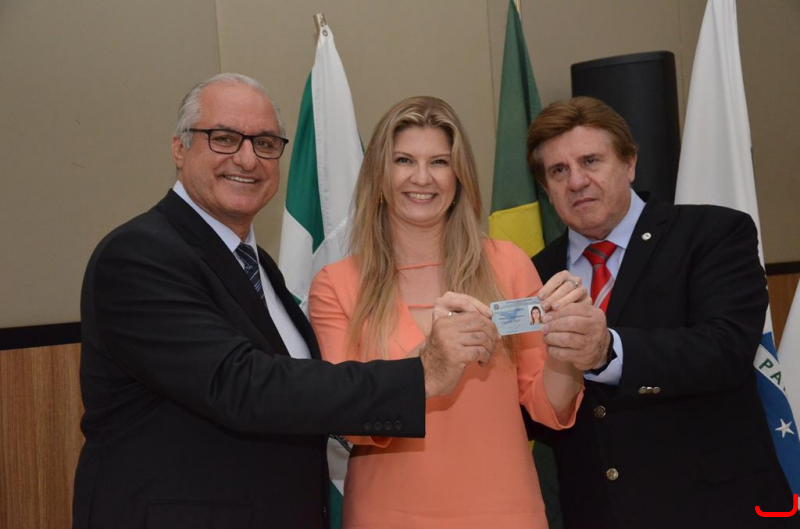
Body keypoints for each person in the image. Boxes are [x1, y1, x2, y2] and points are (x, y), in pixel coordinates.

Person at [73, 74, 499, 529]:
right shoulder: (140, 255)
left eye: (265, 143)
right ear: (180, 148)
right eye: (224, 138)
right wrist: (420, 375)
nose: (247, 158)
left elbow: (296, 400)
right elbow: (241, 385)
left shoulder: (257, 266)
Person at [308, 96, 587, 528]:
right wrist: (429, 362)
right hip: (388, 516)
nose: (422, 177)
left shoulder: (508, 264)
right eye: (404, 160)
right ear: (379, 175)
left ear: (459, 176)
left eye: (439, 162)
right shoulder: (337, 284)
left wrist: (570, 346)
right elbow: (346, 419)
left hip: (506, 514)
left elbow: (548, 407)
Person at [525, 96, 796, 529]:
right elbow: (534, 408)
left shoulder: (714, 233)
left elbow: (726, 349)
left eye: (591, 161)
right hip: (597, 514)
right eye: (558, 170)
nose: (576, 181)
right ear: (545, 187)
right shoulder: (532, 273)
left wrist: (608, 351)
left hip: (715, 509)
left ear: (629, 163)